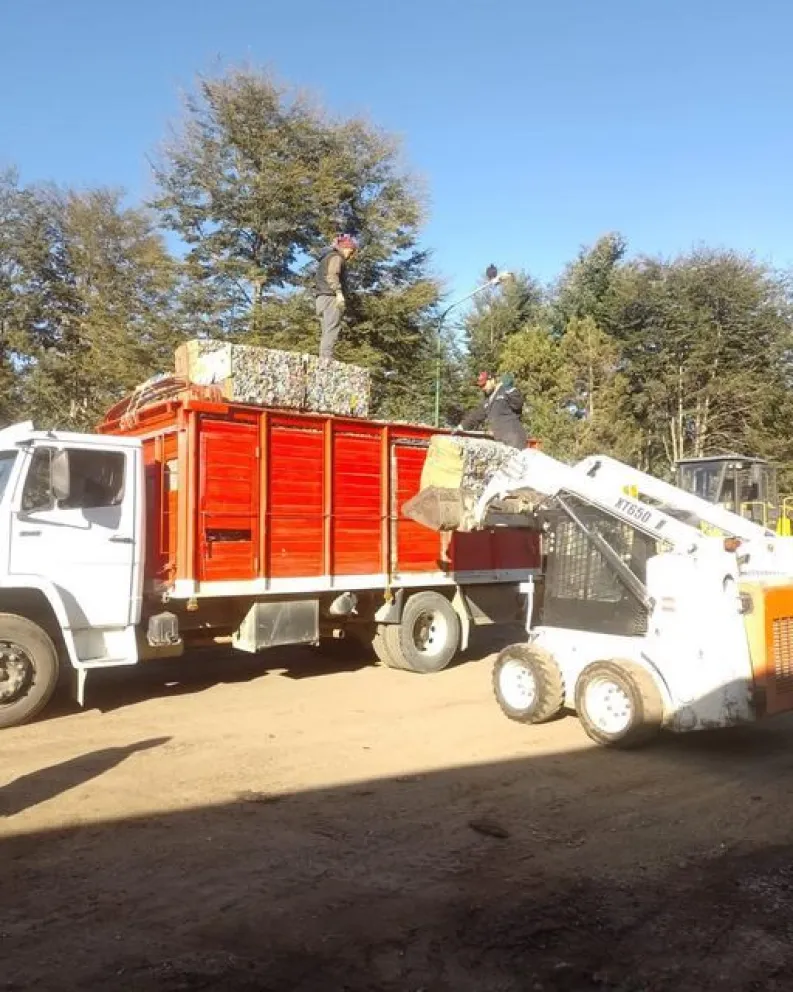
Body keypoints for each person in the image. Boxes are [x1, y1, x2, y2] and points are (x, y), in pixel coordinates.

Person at [314, 234, 358, 359]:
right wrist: (339, 293)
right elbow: (332, 275)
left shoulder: (326, 257)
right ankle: (327, 359)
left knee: (326, 330)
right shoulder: (336, 257)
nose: (351, 255)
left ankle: (323, 358)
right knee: (332, 328)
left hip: (320, 297)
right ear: (345, 248)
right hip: (330, 297)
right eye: (351, 251)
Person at [459, 371, 528, 449]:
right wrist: (461, 427)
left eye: (484, 385)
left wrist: (510, 389)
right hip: (500, 440)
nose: (483, 388)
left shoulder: (505, 390)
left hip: (514, 439)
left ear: (492, 380)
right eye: (481, 386)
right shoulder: (488, 400)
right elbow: (476, 416)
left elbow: (518, 404)